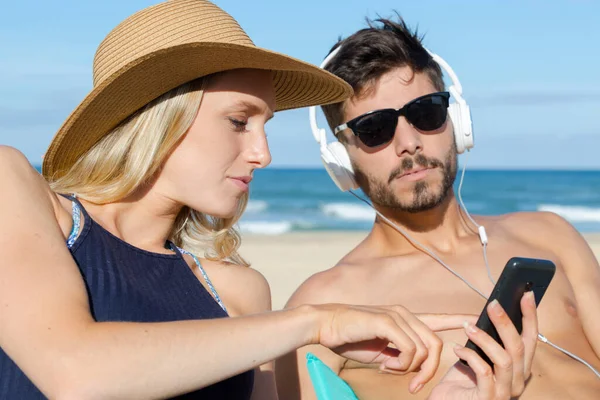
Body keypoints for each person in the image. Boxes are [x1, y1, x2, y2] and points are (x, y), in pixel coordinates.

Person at [0, 2, 481, 399]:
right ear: (160, 115)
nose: (263, 154)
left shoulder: (238, 292)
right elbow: (75, 373)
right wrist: (314, 323)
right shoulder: (16, 188)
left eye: (265, 125)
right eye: (238, 121)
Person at [275, 16, 600, 400]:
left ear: (456, 122)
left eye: (425, 112)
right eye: (375, 129)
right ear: (340, 158)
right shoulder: (323, 306)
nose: (409, 142)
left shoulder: (551, 234)